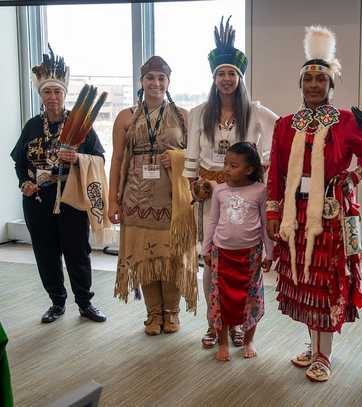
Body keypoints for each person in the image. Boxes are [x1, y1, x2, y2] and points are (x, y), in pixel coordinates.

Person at [266, 26, 362, 382]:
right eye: (308, 79)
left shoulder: (346, 121)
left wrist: (353, 178)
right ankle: (313, 347)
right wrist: (273, 210)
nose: (313, 85)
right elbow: (276, 173)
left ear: (331, 85)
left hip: (332, 212)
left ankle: (324, 355)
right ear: (300, 85)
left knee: (327, 282)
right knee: (304, 280)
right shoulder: (284, 125)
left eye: (320, 79)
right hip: (295, 215)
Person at [184, 16, 277, 349]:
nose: (226, 79)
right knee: (212, 261)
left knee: (246, 268)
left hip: (245, 199)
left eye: (231, 74)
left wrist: (257, 177)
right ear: (213, 78)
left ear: (240, 78)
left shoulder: (257, 113)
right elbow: (191, 160)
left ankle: (241, 323)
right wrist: (195, 187)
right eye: (221, 74)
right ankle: (216, 323)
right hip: (212, 199)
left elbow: (276, 141)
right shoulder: (198, 113)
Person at [10, 46, 106, 324]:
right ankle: (56, 302)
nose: (52, 97)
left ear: (65, 95)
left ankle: (85, 303)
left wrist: (77, 157)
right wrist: (24, 183)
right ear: (40, 95)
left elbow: (99, 158)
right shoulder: (31, 127)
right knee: (45, 252)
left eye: (57, 92)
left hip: (70, 198)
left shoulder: (81, 125)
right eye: (47, 92)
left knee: (77, 252)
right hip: (38, 200)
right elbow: (19, 162)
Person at [110, 56, 198, 336]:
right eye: (150, 78)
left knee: (171, 257)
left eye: (161, 78)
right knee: (144, 257)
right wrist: (113, 199)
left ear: (168, 82)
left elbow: (196, 157)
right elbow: (117, 159)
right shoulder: (126, 116)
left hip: (173, 200)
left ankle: (171, 312)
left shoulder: (183, 116)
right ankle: (153, 313)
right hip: (136, 200)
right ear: (141, 82)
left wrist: (176, 157)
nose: (156, 83)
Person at [201, 142, 272, 361]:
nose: (226, 169)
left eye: (233, 165)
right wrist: (206, 247)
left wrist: (270, 253)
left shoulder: (260, 190)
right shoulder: (220, 191)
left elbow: (265, 224)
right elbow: (213, 221)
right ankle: (222, 342)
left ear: (249, 170)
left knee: (250, 298)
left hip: (250, 255)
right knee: (220, 299)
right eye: (225, 164)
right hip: (221, 254)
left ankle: (248, 339)